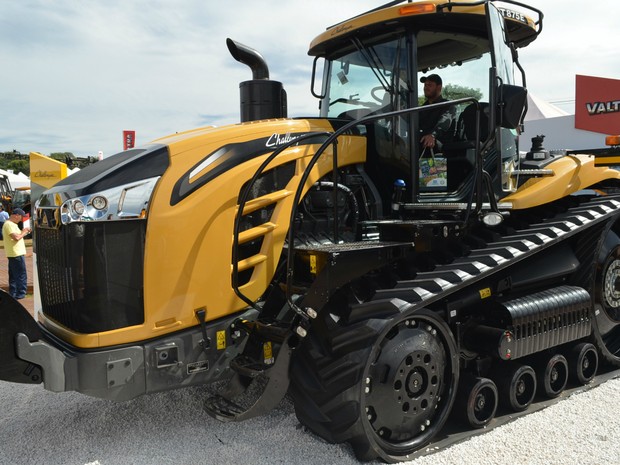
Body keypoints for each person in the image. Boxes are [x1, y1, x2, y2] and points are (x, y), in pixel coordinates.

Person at [419, 74, 455, 150]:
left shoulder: (447, 105)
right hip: (422, 144)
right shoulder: (421, 108)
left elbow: (444, 123)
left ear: (439, 87)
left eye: (429, 85)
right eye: (425, 85)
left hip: (442, 148)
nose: (426, 88)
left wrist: (432, 135)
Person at [2, 208, 31, 300]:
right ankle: (20, 294)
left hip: (13, 253)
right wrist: (24, 231)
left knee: (14, 275)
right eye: (21, 217)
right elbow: (17, 237)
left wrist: (24, 231)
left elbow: (18, 236)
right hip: (16, 254)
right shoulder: (9, 225)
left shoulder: (11, 224)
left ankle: (13, 293)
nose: (21, 219)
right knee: (21, 274)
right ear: (16, 215)